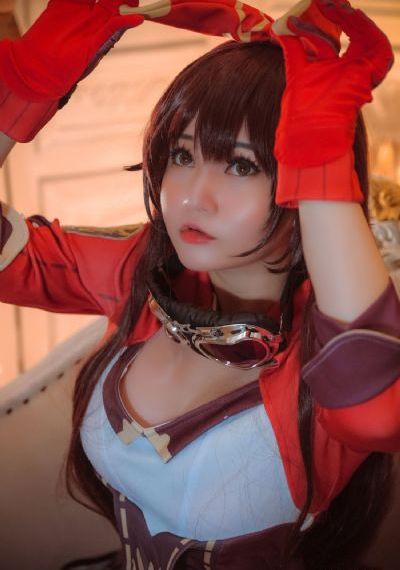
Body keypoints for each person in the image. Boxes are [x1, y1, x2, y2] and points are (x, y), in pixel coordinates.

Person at [0, 0, 399, 568]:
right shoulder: (145, 271)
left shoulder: (323, 356)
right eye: (183, 155)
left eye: (241, 165)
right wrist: (22, 90)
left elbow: (376, 412)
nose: (191, 196)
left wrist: (323, 165)